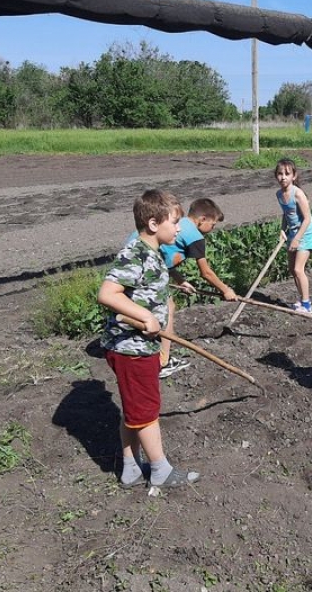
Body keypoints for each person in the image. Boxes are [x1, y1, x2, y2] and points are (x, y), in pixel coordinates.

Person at [98, 189, 200, 489]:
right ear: (154, 224)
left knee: (134, 409)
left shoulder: (151, 253)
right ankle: (161, 470)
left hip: (138, 348)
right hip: (132, 349)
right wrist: (145, 317)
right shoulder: (136, 252)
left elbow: (143, 284)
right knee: (146, 411)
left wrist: (173, 285)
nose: (179, 228)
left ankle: (131, 468)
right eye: (174, 222)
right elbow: (107, 294)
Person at [158, 198, 237, 375]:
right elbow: (206, 272)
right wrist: (225, 290)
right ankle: (163, 361)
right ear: (202, 219)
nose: (213, 229)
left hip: (145, 264)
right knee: (168, 308)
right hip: (150, 270)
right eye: (213, 224)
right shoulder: (195, 236)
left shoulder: (181, 224)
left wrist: (180, 281)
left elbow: (164, 257)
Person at [275, 158, 312, 313]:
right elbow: (286, 214)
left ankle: (307, 304)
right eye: (280, 174)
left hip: (305, 234)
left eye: (287, 174)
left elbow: (307, 219)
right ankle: (301, 300)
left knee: (299, 269)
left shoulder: (298, 194)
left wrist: (297, 239)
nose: (283, 177)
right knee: (292, 270)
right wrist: (282, 229)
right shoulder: (279, 194)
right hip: (292, 233)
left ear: (294, 176)